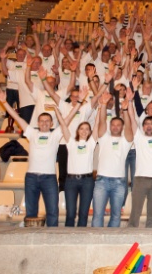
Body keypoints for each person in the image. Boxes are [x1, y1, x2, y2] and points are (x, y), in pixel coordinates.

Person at [0, 88, 63, 227]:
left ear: (51, 124)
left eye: (47, 121)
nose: (44, 123)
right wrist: (4, 102)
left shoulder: (55, 135)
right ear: (37, 123)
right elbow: (17, 117)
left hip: (49, 178)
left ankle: (52, 239)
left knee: (52, 212)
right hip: (31, 178)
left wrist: (76, 103)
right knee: (31, 213)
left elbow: (67, 119)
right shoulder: (32, 133)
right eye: (41, 121)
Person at [52, 87, 94, 227]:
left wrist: (101, 108)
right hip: (71, 182)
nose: (84, 131)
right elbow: (64, 125)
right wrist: (58, 113)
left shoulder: (91, 143)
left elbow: (100, 123)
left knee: (83, 215)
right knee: (70, 215)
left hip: (87, 181)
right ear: (77, 130)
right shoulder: (70, 142)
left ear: (89, 132)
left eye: (87, 129)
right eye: (81, 128)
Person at [92, 91, 134, 227]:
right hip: (101, 181)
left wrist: (126, 110)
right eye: (113, 125)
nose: (115, 126)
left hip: (119, 183)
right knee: (97, 214)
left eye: (118, 125)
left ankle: (111, 243)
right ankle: (96, 243)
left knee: (116, 215)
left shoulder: (126, 141)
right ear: (110, 127)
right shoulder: (103, 138)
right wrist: (103, 104)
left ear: (121, 127)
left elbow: (129, 127)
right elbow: (102, 121)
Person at [126, 89, 152, 228]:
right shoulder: (139, 138)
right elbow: (132, 118)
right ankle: (130, 238)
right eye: (146, 124)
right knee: (135, 214)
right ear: (143, 127)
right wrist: (130, 101)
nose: (149, 126)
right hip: (140, 179)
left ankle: (150, 238)